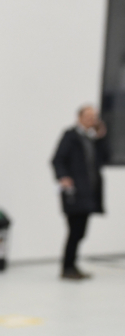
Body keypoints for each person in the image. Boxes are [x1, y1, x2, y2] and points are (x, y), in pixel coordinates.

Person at [51, 105, 108, 280]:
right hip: (74, 193)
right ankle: (67, 267)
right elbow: (57, 159)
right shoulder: (71, 136)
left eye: (94, 117)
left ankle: (72, 266)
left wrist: (101, 138)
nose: (92, 120)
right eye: (89, 116)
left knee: (81, 232)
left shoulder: (91, 139)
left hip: (89, 193)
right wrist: (63, 177)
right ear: (80, 117)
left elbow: (104, 158)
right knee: (75, 231)